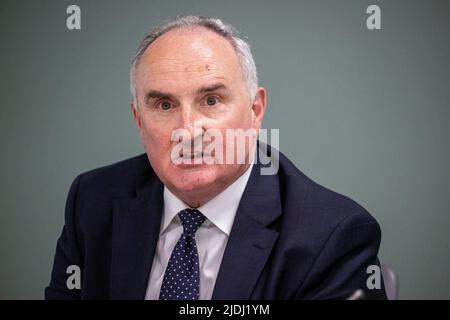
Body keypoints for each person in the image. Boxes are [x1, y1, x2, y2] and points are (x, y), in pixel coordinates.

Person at [45, 15, 387, 300]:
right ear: (138, 120)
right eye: (164, 105)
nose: (189, 130)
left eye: (211, 100)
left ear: (256, 111)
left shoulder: (334, 235)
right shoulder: (92, 201)